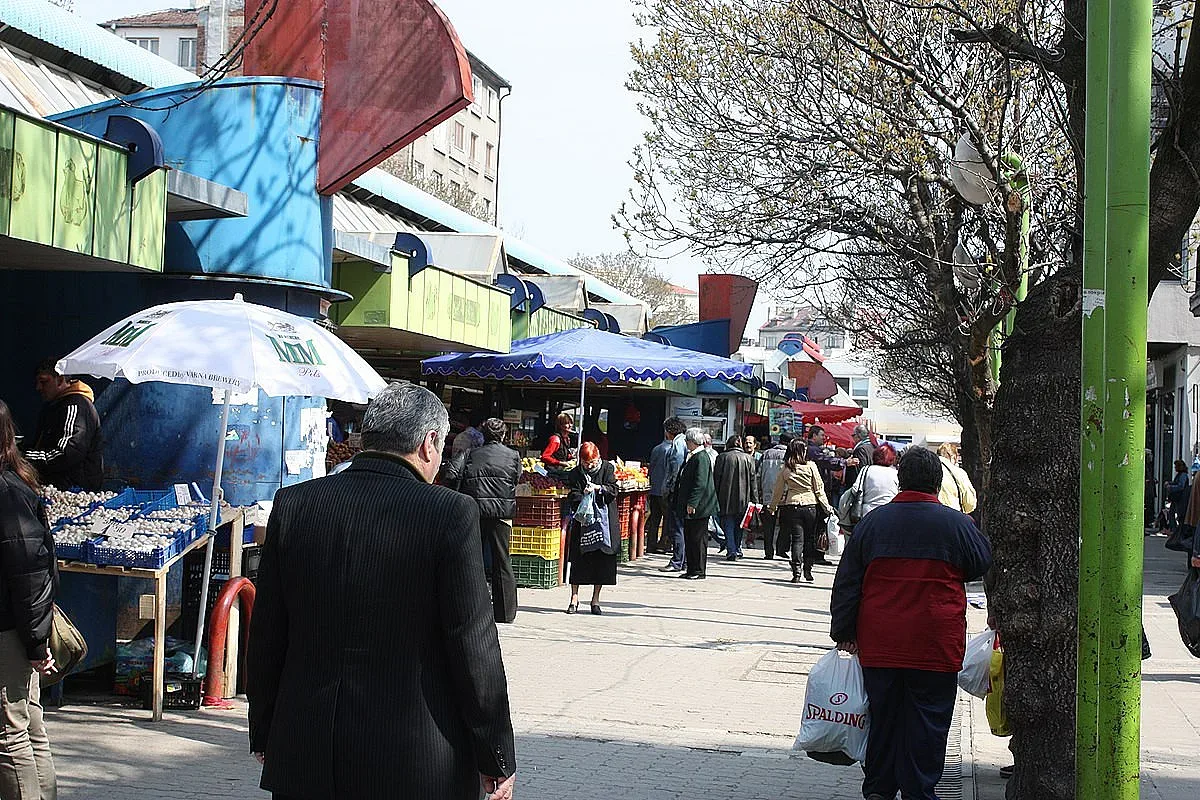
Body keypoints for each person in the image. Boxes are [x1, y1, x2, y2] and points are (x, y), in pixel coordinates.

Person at [246, 382, 516, 800]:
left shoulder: (295, 504)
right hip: (414, 758)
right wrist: (495, 754)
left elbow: (267, 634)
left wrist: (264, 729)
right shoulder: (448, 513)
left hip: (308, 748)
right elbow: (472, 644)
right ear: (429, 444)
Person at [830, 446, 991, 800]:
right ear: (937, 482)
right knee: (928, 724)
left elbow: (847, 581)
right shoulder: (957, 524)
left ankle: (879, 790)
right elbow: (981, 562)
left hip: (880, 644)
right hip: (935, 645)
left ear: (901, 481)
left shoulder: (873, 522)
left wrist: (843, 631)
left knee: (882, 720)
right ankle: (919, 791)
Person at [0, 400, 58, 800]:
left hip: (10, 631)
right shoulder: (13, 487)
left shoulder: (7, 492)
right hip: (17, 629)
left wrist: (36, 643)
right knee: (29, 725)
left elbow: (31, 573)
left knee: (10, 734)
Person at [444, 418, 521, 624]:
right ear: (503, 435)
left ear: (483, 435)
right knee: (502, 561)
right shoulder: (513, 456)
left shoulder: (471, 453)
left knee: (472, 559)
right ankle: (505, 613)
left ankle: (473, 608)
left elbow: (450, 473)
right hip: (502, 513)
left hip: (475, 509)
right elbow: (516, 478)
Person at [25, 359, 103, 491]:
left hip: (75, 490)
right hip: (56, 487)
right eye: (37, 382)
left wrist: (23, 457)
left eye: (44, 382)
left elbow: (67, 452)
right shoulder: (52, 406)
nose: (38, 388)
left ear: (60, 380)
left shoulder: (76, 405)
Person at [564, 442, 619, 614]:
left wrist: (599, 489)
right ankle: (574, 597)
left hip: (604, 524)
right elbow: (572, 494)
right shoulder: (575, 473)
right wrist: (584, 497)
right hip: (583, 523)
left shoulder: (607, 468)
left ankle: (595, 599)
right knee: (579, 561)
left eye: (593, 462)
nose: (590, 466)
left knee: (602, 562)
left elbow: (613, 490)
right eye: (586, 463)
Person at [767, 439, 831, 583]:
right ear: (803, 451)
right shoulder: (811, 466)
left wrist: (772, 507)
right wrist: (827, 507)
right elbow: (819, 489)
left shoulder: (785, 468)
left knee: (797, 540)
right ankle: (808, 569)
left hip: (792, 506)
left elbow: (777, 491)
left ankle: (796, 571)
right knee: (809, 539)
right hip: (810, 505)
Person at [674, 427, 718, 580]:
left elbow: (700, 483)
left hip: (700, 507)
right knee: (690, 537)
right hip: (691, 505)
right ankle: (691, 568)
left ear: (693, 442)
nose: (686, 443)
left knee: (698, 539)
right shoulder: (693, 455)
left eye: (687, 440)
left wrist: (692, 503)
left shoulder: (701, 457)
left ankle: (699, 570)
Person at [714, 435, 757, 561]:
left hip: (725, 497)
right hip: (744, 498)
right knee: (740, 525)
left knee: (728, 523)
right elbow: (753, 481)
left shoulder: (722, 457)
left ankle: (731, 549)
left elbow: (716, 479)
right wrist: (755, 500)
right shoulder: (749, 459)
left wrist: (714, 496)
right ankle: (737, 548)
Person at [648, 418, 686, 555]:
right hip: (666, 489)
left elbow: (651, 468)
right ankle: (664, 543)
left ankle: (651, 544)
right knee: (668, 519)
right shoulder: (676, 449)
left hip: (654, 488)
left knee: (654, 518)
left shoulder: (657, 449)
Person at [658, 421, 690, 573]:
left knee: (676, 527)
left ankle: (677, 560)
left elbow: (675, 468)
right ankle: (681, 560)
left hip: (675, 491)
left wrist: (670, 487)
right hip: (681, 490)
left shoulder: (677, 445)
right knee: (680, 527)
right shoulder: (684, 442)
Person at [758, 433, 791, 560]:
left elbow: (759, 474)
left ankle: (768, 551)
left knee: (768, 525)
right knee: (785, 523)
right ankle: (781, 549)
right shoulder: (789, 455)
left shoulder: (766, 454)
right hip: (785, 494)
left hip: (767, 493)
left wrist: (760, 491)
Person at [858, 443, 901, 518]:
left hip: (867, 514)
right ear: (892, 458)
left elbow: (856, 489)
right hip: (889, 513)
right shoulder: (896, 474)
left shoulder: (866, 470)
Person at [937, 442, 977, 514]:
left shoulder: (927, 469)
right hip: (951, 517)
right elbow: (970, 503)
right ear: (954, 457)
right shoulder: (959, 473)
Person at [1165, 459, 1190, 534]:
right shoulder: (1180, 475)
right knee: (1172, 513)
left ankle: (1176, 530)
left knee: (1178, 514)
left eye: (1176, 466)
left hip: (1180, 498)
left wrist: (1170, 487)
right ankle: (1174, 529)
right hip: (1177, 498)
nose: (1175, 468)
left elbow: (1181, 486)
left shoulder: (1182, 475)